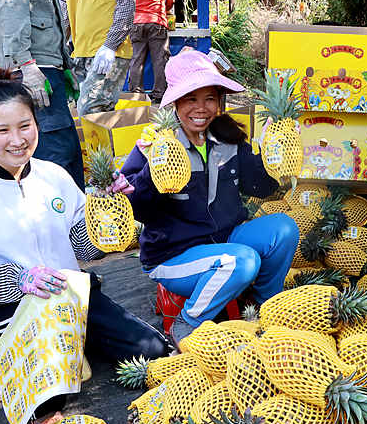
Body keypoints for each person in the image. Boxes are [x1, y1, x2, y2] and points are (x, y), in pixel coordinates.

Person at [0, 69, 170, 420]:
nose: (16, 140)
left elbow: (82, 249)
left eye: (24, 126)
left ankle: (81, 346)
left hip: (72, 296)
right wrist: (18, 281)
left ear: (36, 123)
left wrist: (106, 215)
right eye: (2, 130)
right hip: (13, 310)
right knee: (47, 405)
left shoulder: (54, 177)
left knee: (154, 352)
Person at [116, 50, 298, 345]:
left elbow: (261, 188)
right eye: (191, 99)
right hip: (174, 254)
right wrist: (150, 175)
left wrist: (273, 151)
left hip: (225, 240)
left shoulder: (225, 137)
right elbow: (138, 210)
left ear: (219, 102)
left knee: (283, 228)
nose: (201, 108)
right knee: (242, 261)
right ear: (175, 103)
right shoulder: (155, 145)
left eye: (210, 98)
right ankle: (187, 324)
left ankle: (265, 308)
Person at [0, 0, 85, 190]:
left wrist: (63, 63)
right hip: (32, 68)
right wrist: (26, 63)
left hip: (41, 65)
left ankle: (72, 218)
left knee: (66, 153)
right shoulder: (28, 66)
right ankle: (58, 219)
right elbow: (10, 5)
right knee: (54, 158)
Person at [60, 0, 135, 116]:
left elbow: (127, 4)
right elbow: (64, 17)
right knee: (85, 114)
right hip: (80, 53)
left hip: (109, 52)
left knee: (91, 110)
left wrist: (110, 45)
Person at [128, 0, 175, 103]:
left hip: (136, 21)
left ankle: (136, 94)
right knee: (160, 60)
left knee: (136, 59)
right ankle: (159, 94)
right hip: (157, 20)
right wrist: (166, 9)